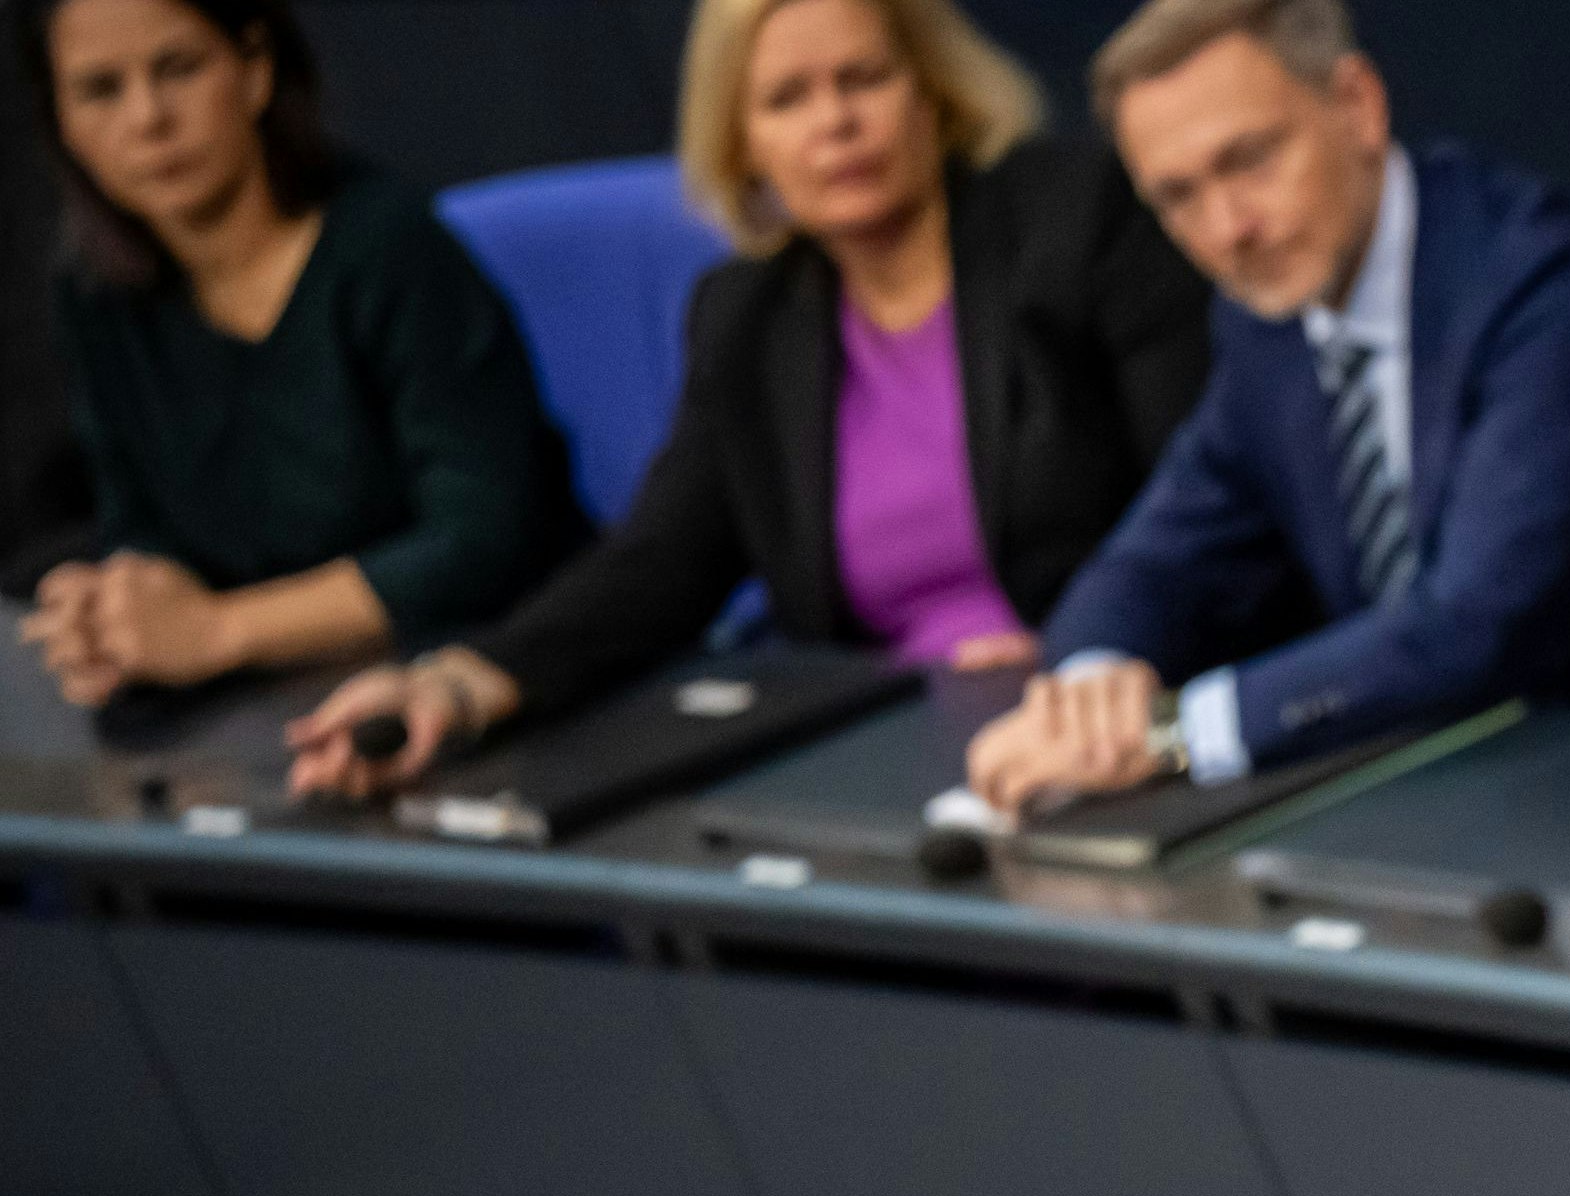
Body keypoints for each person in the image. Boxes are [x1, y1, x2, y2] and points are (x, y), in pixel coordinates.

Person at [285, 0, 1209, 795]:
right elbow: (659, 564)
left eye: (864, 79)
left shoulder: (1076, 226)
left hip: (1100, 713)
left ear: (933, 89)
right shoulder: (750, 319)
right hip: (887, 747)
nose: (835, 122)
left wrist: (1084, 646)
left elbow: (1200, 497)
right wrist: (460, 682)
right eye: (787, 99)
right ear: (744, 142)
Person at [960, 0, 1570, 816]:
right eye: (1176, 196)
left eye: (1249, 160)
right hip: (1425, 790)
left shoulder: (1544, 285)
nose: (1227, 228)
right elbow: (1167, 548)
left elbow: (1477, 623)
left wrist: (1173, 736)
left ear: (1356, 103)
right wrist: (1090, 684)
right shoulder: (1269, 315)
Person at [14, 0, 582, 706]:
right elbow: (140, 520)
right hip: (271, 692)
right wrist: (120, 607)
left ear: (255, 70)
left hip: (485, 668)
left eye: (179, 69)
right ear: (60, 119)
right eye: (100, 89)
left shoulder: (386, 246)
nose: (147, 119)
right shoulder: (92, 291)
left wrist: (218, 630)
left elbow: (482, 541)